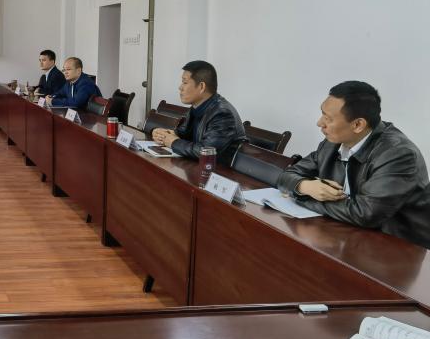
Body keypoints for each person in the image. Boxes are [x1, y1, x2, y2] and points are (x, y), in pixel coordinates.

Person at [277, 81, 430, 249]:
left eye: (328, 118)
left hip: (398, 249)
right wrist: (304, 186)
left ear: (358, 125)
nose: (320, 123)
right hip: (348, 235)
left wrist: (301, 196)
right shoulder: (332, 143)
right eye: (322, 114)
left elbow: (365, 214)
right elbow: (287, 175)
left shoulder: (398, 154)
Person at [151, 60, 246, 163]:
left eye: (185, 82)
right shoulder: (197, 106)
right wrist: (164, 134)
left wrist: (173, 142)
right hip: (197, 166)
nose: (180, 87)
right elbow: (183, 133)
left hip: (218, 170)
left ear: (201, 87)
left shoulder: (222, 114)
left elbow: (205, 151)